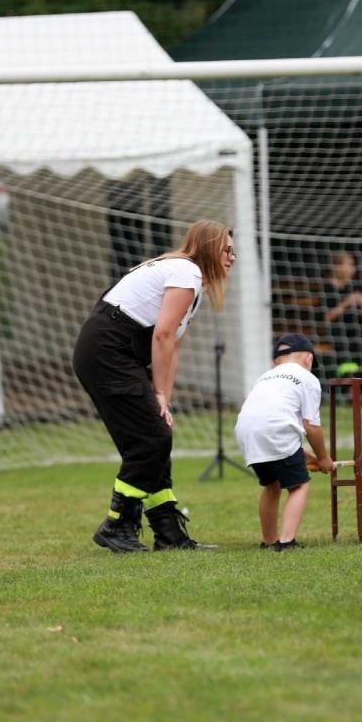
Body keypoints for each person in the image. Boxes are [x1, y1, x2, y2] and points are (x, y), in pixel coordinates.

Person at [73, 219, 235, 553]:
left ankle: (168, 533)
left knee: (156, 432)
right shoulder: (186, 272)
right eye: (227, 250)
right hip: (107, 349)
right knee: (151, 439)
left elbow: (172, 345)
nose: (232, 257)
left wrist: (165, 401)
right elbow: (161, 335)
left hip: (117, 351)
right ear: (208, 247)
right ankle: (116, 524)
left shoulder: (193, 283)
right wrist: (158, 392)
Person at [235, 332, 335, 551]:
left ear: (275, 361)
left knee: (271, 485)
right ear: (308, 359)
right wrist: (324, 458)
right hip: (275, 430)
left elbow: (276, 425)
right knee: (299, 485)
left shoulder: (265, 377)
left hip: (246, 432)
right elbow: (311, 427)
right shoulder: (308, 378)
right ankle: (287, 541)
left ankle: (268, 540)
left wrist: (307, 456)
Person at [320, 251, 362, 377]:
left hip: (356, 326)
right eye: (348, 265)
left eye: (353, 265)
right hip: (337, 329)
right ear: (336, 267)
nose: (352, 269)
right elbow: (328, 317)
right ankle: (347, 379)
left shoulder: (356, 285)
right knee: (344, 339)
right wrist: (346, 303)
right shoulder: (327, 288)